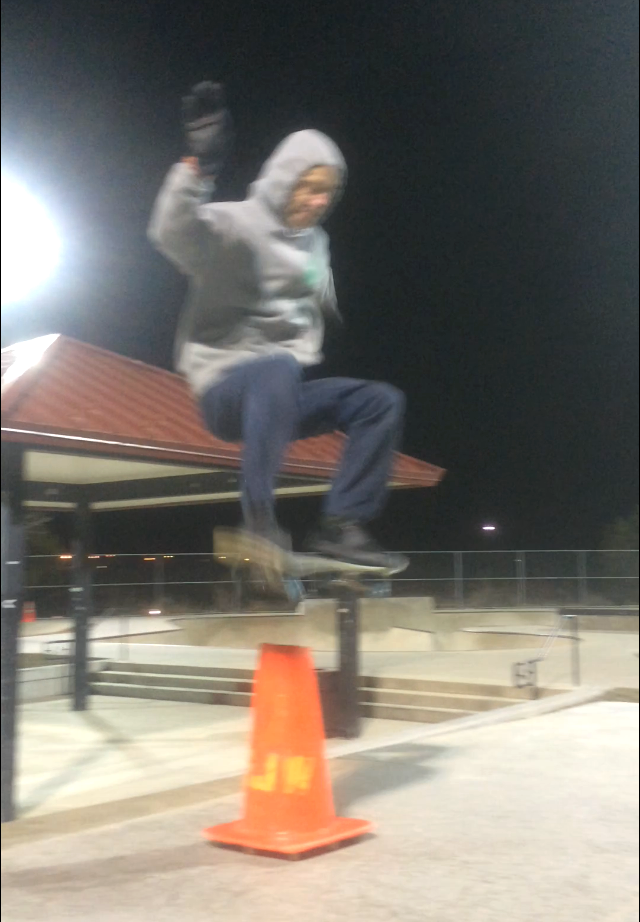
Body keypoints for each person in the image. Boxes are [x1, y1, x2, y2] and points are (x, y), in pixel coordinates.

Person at [149, 82, 407, 573]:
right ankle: (259, 521)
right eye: (311, 188)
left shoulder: (316, 244)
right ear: (285, 180)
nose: (318, 202)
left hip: (278, 397)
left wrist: (324, 307)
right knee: (277, 367)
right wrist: (198, 170)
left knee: (380, 401)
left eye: (328, 194)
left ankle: (341, 525)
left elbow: (311, 288)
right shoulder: (235, 225)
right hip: (225, 391)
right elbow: (173, 235)